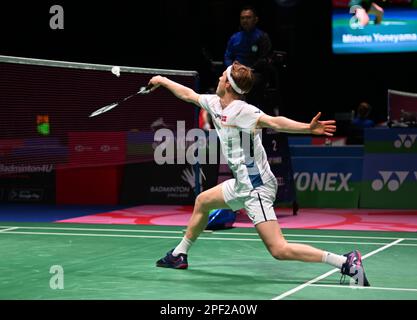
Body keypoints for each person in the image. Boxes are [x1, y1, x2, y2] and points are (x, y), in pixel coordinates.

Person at [148, 61, 370, 286]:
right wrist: (162, 80)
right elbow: (188, 94)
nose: (217, 79)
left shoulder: (243, 111)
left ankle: (345, 262)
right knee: (203, 201)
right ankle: (179, 255)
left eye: (221, 77)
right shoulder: (214, 103)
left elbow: (274, 122)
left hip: (257, 188)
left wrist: (307, 128)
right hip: (242, 184)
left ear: (227, 84)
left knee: (278, 249)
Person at [224, 6, 273, 110]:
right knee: (223, 82)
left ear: (255, 19)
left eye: (248, 17)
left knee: (253, 84)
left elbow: (264, 59)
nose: (245, 20)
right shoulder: (234, 37)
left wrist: (247, 70)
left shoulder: (262, 37)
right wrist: (231, 69)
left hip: (254, 73)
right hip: (235, 72)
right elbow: (228, 56)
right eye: (242, 18)